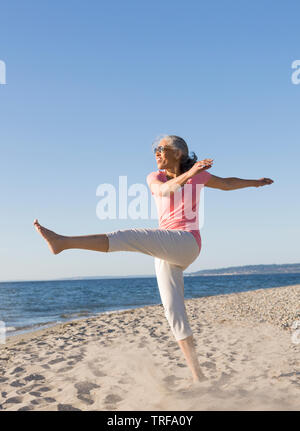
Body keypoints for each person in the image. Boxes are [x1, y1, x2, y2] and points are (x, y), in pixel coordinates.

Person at [33, 134, 273, 383]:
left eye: (161, 148)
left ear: (178, 153)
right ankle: (198, 376)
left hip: (187, 242)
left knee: (129, 236)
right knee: (174, 312)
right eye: (155, 149)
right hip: (166, 248)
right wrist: (190, 175)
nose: (156, 152)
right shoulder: (155, 177)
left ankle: (63, 243)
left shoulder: (198, 175)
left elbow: (227, 183)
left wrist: (256, 183)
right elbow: (166, 190)